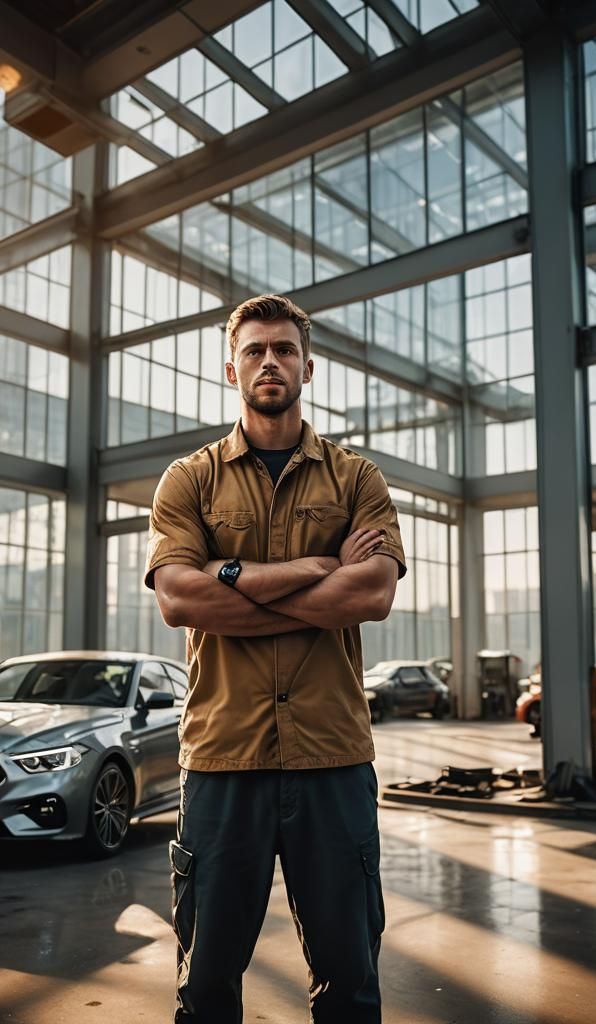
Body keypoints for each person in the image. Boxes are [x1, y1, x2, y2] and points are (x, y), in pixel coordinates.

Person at [145, 294, 406, 1023]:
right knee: (206, 985)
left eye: (284, 349)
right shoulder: (189, 480)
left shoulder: (357, 479)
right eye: (256, 350)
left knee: (350, 981)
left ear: (309, 367)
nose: (270, 362)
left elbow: (376, 591)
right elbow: (179, 601)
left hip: (332, 755)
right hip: (225, 758)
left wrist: (234, 577)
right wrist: (323, 568)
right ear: (232, 368)